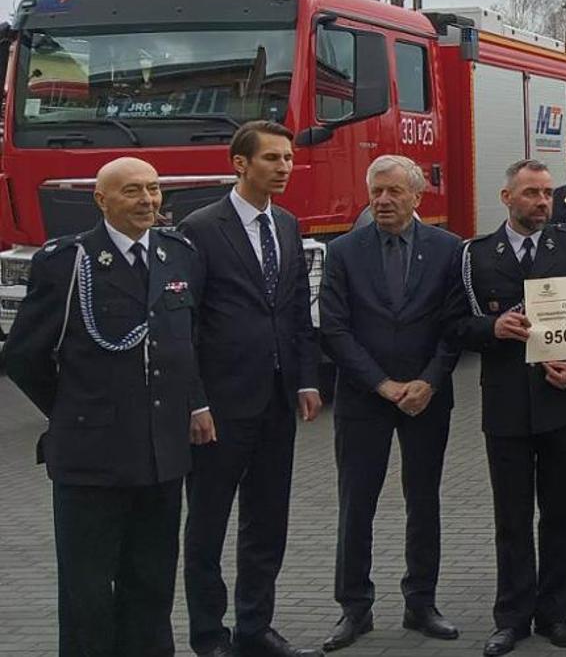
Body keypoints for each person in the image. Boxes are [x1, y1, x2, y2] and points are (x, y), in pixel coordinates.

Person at [0, 157, 211, 657]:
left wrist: (196, 404)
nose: (147, 201)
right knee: (88, 591)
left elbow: (186, 344)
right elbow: (24, 355)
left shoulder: (178, 254)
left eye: (154, 190)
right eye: (132, 191)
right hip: (91, 458)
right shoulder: (68, 262)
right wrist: (72, 409)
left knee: (152, 583)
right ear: (102, 200)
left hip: (161, 454)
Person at [177, 121, 322, 657]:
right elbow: (184, 325)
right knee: (208, 528)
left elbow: (295, 311)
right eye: (272, 159)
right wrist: (196, 400)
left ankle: (255, 627)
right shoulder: (200, 228)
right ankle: (209, 636)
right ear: (240, 164)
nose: (284, 166)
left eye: (287, 158)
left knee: (266, 522)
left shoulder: (285, 224)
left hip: (277, 401)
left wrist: (306, 378)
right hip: (219, 407)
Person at [452, 159, 566, 656]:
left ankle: (554, 614)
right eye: (531, 193)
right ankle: (511, 617)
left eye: (546, 193)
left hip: (563, 404)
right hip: (508, 410)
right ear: (506, 197)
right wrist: (489, 330)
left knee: (562, 514)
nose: (542, 201)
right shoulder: (476, 255)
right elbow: (452, 325)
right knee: (512, 518)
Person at [318, 156, 465, 650]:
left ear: (416, 197)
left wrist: (428, 382)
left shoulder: (448, 250)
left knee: (423, 502)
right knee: (356, 505)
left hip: (427, 399)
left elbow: (453, 327)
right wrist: (382, 385)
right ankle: (354, 609)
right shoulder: (344, 251)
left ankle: (421, 603)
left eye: (393, 193)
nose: (382, 201)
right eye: (376, 192)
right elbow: (334, 328)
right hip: (365, 399)